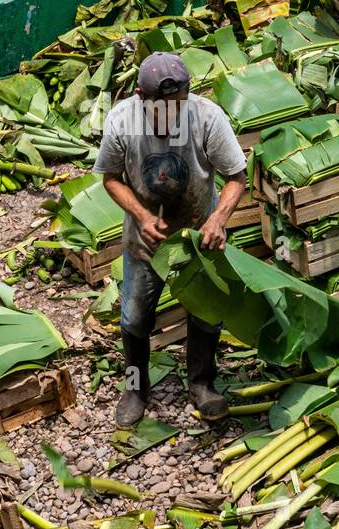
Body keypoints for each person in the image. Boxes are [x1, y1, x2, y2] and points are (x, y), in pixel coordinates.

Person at [94, 52, 248, 428]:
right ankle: (135, 387)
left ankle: (201, 384)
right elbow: (111, 177)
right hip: (145, 240)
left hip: (198, 237)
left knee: (206, 313)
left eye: (177, 105)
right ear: (140, 97)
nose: (171, 115)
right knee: (133, 318)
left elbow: (236, 175)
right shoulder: (122, 122)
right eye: (161, 108)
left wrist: (217, 219)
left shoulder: (207, 117)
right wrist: (142, 216)